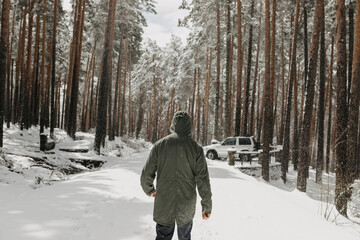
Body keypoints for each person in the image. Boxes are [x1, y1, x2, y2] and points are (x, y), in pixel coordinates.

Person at [141, 111, 212, 240]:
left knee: (163, 236)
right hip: (186, 203)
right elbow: (203, 179)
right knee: (185, 236)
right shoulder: (195, 148)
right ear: (189, 126)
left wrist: (149, 190)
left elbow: (146, 174)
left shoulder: (160, 145)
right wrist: (207, 206)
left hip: (164, 202)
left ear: (173, 124)